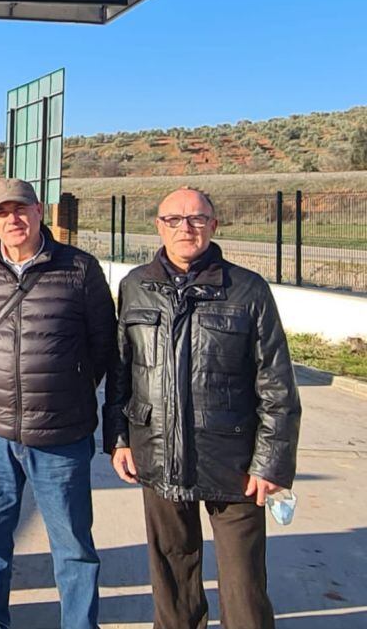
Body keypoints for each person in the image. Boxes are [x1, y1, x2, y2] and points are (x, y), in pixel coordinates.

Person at [105, 187, 300, 629]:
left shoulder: (248, 290)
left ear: (214, 225)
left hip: (234, 462)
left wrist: (270, 463)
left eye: (196, 219)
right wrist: (119, 437)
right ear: (158, 226)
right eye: (173, 219)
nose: (185, 228)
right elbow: (121, 371)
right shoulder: (135, 286)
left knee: (243, 583)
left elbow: (277, 384)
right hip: (156, 451)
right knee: (172, 574)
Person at [0, 178, 115, 629]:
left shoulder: (80, 269)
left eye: (21, 209)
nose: (14, 219)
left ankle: (79, 624)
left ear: (39, 210)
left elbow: (103, 344)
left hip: (62, 434)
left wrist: (69, 387)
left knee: (73, 546)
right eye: (2, 212)